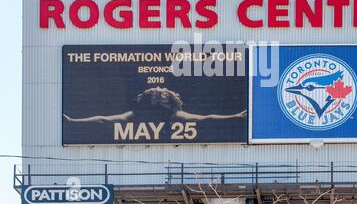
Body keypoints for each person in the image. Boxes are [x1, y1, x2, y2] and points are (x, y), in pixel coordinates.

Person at [63, 86, 247, 124]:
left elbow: (103, 119)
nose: (160, 87)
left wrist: (74, 121)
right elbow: (207, 118)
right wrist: (235, 116)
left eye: (159, 90)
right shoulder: (176, 114)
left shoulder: (135, 114)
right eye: (160, 90)